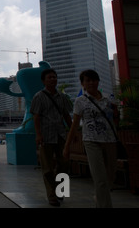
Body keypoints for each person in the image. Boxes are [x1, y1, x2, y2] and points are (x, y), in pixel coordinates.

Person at [63, 69, 119, 208]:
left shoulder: (109, 99)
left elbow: (115, 120)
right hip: (91, 140)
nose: (91, 83)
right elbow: (75, 124)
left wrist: (116, 113)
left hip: (110, 140)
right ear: (82, 84)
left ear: (98, 81)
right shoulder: (80, 101)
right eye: (87, 80)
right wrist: (67, 146)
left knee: (111, 176)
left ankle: (99, 197)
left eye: (94, 80)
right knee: (100, 179)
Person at [30, 68, 72, 207]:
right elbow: (35, 117)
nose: (53, 79)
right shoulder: (38, 96)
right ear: (44, 80)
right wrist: (38, 134)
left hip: (61, 134)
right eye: (50, 77)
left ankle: (61, 191)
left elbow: (66, 115)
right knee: (47, 167)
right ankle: (52, 195)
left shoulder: (62, 97)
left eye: (54, 77)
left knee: (64, 163)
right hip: (46, 135)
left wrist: (72, 132)